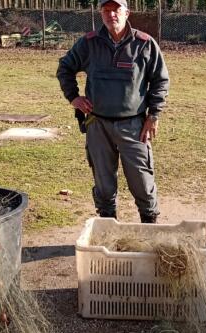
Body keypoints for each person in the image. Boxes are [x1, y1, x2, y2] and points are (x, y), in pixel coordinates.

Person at [56, 0, 170, 223]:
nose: (111, 15)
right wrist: (74, 98)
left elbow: (160, 81)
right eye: (106, 10)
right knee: (104, 184)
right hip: (98, 125)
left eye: (116, 10)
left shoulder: (144, 44)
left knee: (142, 181)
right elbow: (65, 68)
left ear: (127, 12)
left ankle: (149, 226)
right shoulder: (89, 43)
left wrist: (153, 115)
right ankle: (108, 228)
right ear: (101, 14)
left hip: (135, 126)